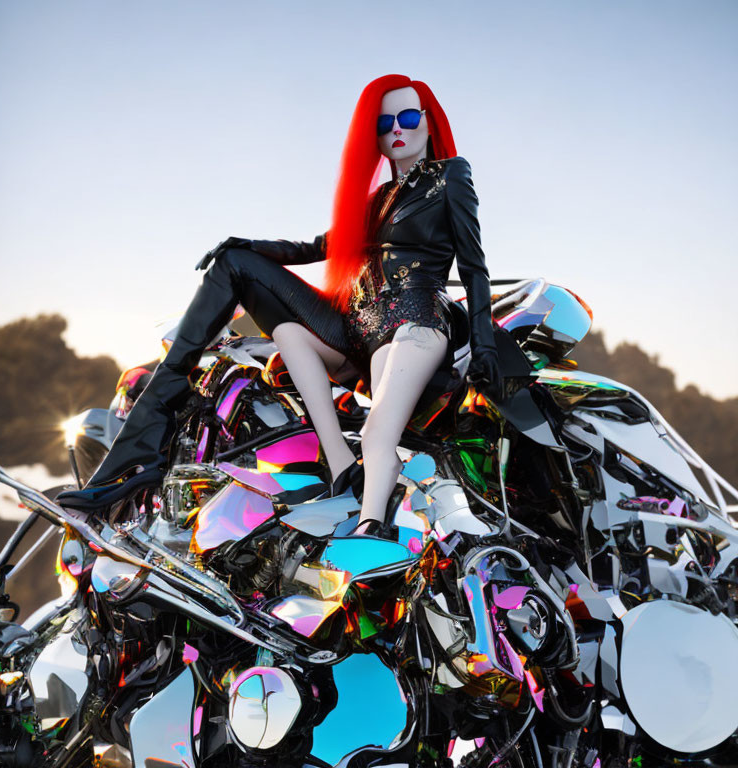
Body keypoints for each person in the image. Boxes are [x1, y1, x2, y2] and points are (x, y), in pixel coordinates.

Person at [57, 74, 502, 536]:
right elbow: (317, 246)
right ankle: (331, 463)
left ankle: (370, 526)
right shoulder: (376, 200)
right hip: (360, 330)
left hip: (416, 324)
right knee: (253, 287)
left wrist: (485, 347)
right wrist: (250, 246)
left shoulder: (450, 176)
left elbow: (475, 268)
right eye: (384, 121)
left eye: (409, 117)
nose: (397, 128)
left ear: (428, 123)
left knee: (376, 434)